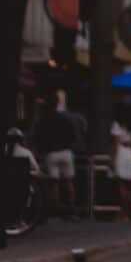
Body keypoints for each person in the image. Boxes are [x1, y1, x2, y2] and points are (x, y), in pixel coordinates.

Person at [34, 91, 81, 220]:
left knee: (54, 183)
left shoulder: (43, 120)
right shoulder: (65, 118)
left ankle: (56, 209)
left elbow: (38, 137)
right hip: (66, 151)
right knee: (69, 181)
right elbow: (73, 136)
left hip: (51, 153)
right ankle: (72, 209)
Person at [110, 106, 131, 221]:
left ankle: (126, 212)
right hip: (129, 154)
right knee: (128, 186)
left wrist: (112, 159)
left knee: (121, 186)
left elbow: (116, 143)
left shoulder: (117, 125)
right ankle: (129, 211)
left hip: (121, 154)